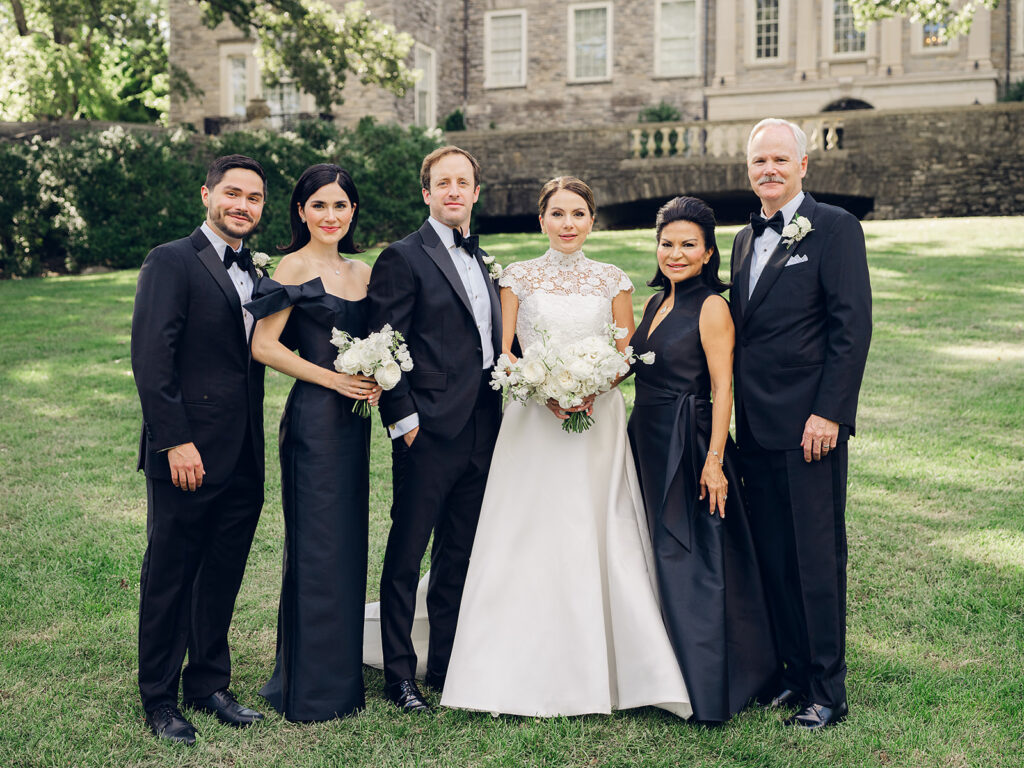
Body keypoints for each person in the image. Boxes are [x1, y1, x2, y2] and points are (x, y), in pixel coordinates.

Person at [439, 177, 692, 718]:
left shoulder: (614, 280)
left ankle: (611, 660)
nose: (568, 223)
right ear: (542, 220)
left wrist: (590, 389)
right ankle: (502, 660)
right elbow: (503, 352)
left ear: (592, 220)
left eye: (578, 213)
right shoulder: (518, 277)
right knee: (526, 529)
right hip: (532, 419)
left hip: (597, 421)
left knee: (594, 527)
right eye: (558, 214)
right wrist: (543, 388)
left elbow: (625, 353)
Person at [731, 118, 872, 729]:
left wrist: (830, 413)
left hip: (811, 427)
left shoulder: (836, 229)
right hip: (754, 427)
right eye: (759, 161)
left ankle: (826, 689)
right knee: (773, 555)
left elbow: (852, 328)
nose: (769, 170)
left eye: (780, 160)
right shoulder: (740, 239)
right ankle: (789, 672)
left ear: (803, 166)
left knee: (815, 558)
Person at [131, 154, 268, 745]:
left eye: (254, 198)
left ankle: (208, 683)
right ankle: (159, 698)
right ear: (207, 194)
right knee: (170, 575)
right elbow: (152, 358)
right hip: (187, 452)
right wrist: (176, 441)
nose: (242, 205)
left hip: (243, 455)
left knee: (221, 574)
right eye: (232, 193)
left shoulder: (258, 273)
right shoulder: (171, 261)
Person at [626, 196, 776, 723]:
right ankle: (659, 666)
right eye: (667, 243)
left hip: (690, 444)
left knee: (694, 558)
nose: (675, 253)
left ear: (709, 252)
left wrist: (714, 460)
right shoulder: (654, 303)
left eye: (688, 245)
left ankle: (713, 679)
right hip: (645, 437)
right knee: (652, 551)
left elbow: (722, 387)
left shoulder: (712, 306)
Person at [365, 146, 502, 712]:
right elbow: (384, 343)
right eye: (441, 182)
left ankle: (445, 664)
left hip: (485, 429)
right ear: (426, 193)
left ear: (475, 192)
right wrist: (404, 421)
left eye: (462, 182)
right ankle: (400, 674)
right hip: (428, 432)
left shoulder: (486, 260)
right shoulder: (402, 256)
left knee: (460, 554)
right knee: (408, 554)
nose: (452, 191)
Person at [245, 164, 381, 721]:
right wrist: (335, 379)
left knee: (348, 542)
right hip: (313, 421)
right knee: (317, 545)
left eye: (341, 206)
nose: (331, 216)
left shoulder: (364, 270)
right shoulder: (291, 267)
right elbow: (264, 346)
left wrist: (381, 372)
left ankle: (341, 674)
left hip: (354, 424)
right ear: (301, 211)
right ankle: (311, 686)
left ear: (353, 212)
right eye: (319, 205)